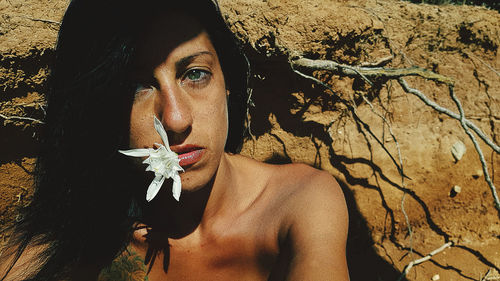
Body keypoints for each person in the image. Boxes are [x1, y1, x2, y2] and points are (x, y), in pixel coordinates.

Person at [0, 0, 349, 280]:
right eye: (136, 87)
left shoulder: (298, 204)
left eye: (195, 74)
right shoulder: (67, 245)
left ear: (228, 82)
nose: (176, 119)